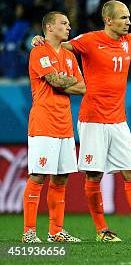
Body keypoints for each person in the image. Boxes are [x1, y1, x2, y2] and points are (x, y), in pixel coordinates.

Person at [32, 0, 131, 241]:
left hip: (118, 121)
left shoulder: (130, 42)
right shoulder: (88, 41)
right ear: (108, 20)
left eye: (129, 17)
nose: (128, 22)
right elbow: (58, 46)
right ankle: (102, 231)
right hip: (93, 120)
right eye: (123, 18)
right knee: (94, 176)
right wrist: (39, 41)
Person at [23, 12, 85, 243]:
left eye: (69, 23)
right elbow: (54, 81)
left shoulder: (69, 56)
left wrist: (63, 80)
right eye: (64, 23)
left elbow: (82, 88)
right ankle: (29, 232)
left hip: (64, 124)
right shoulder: (38, 51)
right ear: (49, 27)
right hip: (43, 122)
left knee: (60, 179)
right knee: (38, 176)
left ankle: (55, 231)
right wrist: (63, 80)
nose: (69, 27)